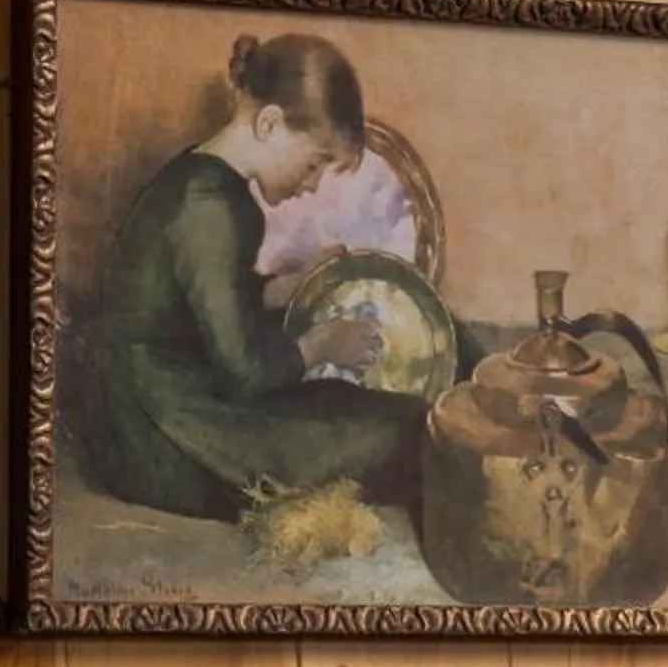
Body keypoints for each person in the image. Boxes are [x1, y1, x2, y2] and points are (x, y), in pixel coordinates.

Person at [75, 32, 429, 521]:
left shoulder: (197, 179)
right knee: (402, 427)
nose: (312, 184)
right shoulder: (212, 207)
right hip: (163, 437)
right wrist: (322, 345)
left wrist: (285, 286)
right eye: (316, 162)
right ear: (270, 123)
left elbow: (199, 306)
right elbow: (245, 374)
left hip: (154, 407)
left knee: (355, 407)